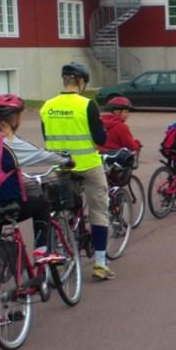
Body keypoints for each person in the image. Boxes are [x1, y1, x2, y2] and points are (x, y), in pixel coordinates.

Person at [0, 94, 71, 330]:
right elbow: (42, 155)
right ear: (14, 117)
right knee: (42, 205)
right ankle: (41, 252)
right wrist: (66, 160)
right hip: (7, 204)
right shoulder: (10, 142)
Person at [40, 62, 113, 281]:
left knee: (63, 210)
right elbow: (100, 139)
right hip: (88, 165)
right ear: (81, 82)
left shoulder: (47, 106)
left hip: (60, 165)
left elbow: (47, 138)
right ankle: (100, 263)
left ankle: (65, 241)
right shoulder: (87, 105)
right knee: (99, 209)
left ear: (65, 81)